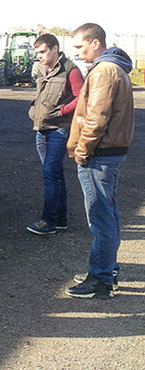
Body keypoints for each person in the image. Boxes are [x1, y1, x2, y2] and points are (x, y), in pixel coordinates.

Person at [65, 23, 134, 299]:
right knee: (110, 215)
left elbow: (96, 118)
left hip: (99, 156)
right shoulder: (115, 69)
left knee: (101, 218)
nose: (78, 53)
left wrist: (82, 151)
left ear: (96, 43)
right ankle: (107, 270)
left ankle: (101, 280)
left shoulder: (104, 71)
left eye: (80, 46)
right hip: (110, 153)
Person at [26, 33, 84, 235]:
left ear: (55, 49)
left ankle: (48, 221)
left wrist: (62, 111)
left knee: (50, 174)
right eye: (37, 53)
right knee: (56, 175)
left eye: (42, 52)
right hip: (41, 129)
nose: (39, 56)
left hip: (58, 130)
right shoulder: (44, 69)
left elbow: (81, 98)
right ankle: (61, 219)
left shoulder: (71, 70)